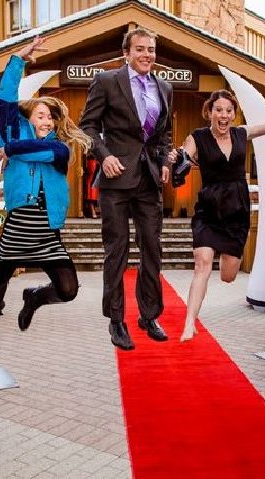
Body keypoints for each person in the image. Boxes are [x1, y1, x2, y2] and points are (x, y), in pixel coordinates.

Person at [0, 36, 91, 335]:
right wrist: (18, 61)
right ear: (29, 117)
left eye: (52, 117)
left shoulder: (60, 149)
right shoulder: (12, 130)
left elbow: (41, 152)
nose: (48, 121)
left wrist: (11, 150)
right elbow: (3, 98)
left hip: (46, 228)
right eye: (41, 115)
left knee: (68, 290)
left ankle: (35, 297)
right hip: (19, 224)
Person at [168, 89, 265, 342]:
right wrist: (177, 158)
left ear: (234, 114)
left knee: (228, 276)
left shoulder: (240, 133)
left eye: (228, 111)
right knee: (202, 262)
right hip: (209, 210)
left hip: (236, 211)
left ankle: (229, 260)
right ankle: (189, 322)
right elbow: (183, 155)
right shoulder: (198, 137)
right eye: (218, 110)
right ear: (209, 113)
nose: (224, 115)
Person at [79, 27, 173, 351]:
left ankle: (149, 316)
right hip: (115, 181)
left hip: (149, 181)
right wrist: (103, 157)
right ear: (127, 53)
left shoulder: (165, 87)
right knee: (116, 252)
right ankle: (116, 320)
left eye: (151, 49)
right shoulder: (107, 81)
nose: (147, 54)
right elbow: (87, 126)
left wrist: (164, 161)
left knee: (152, 250)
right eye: (141, 49)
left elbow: (165, 135)